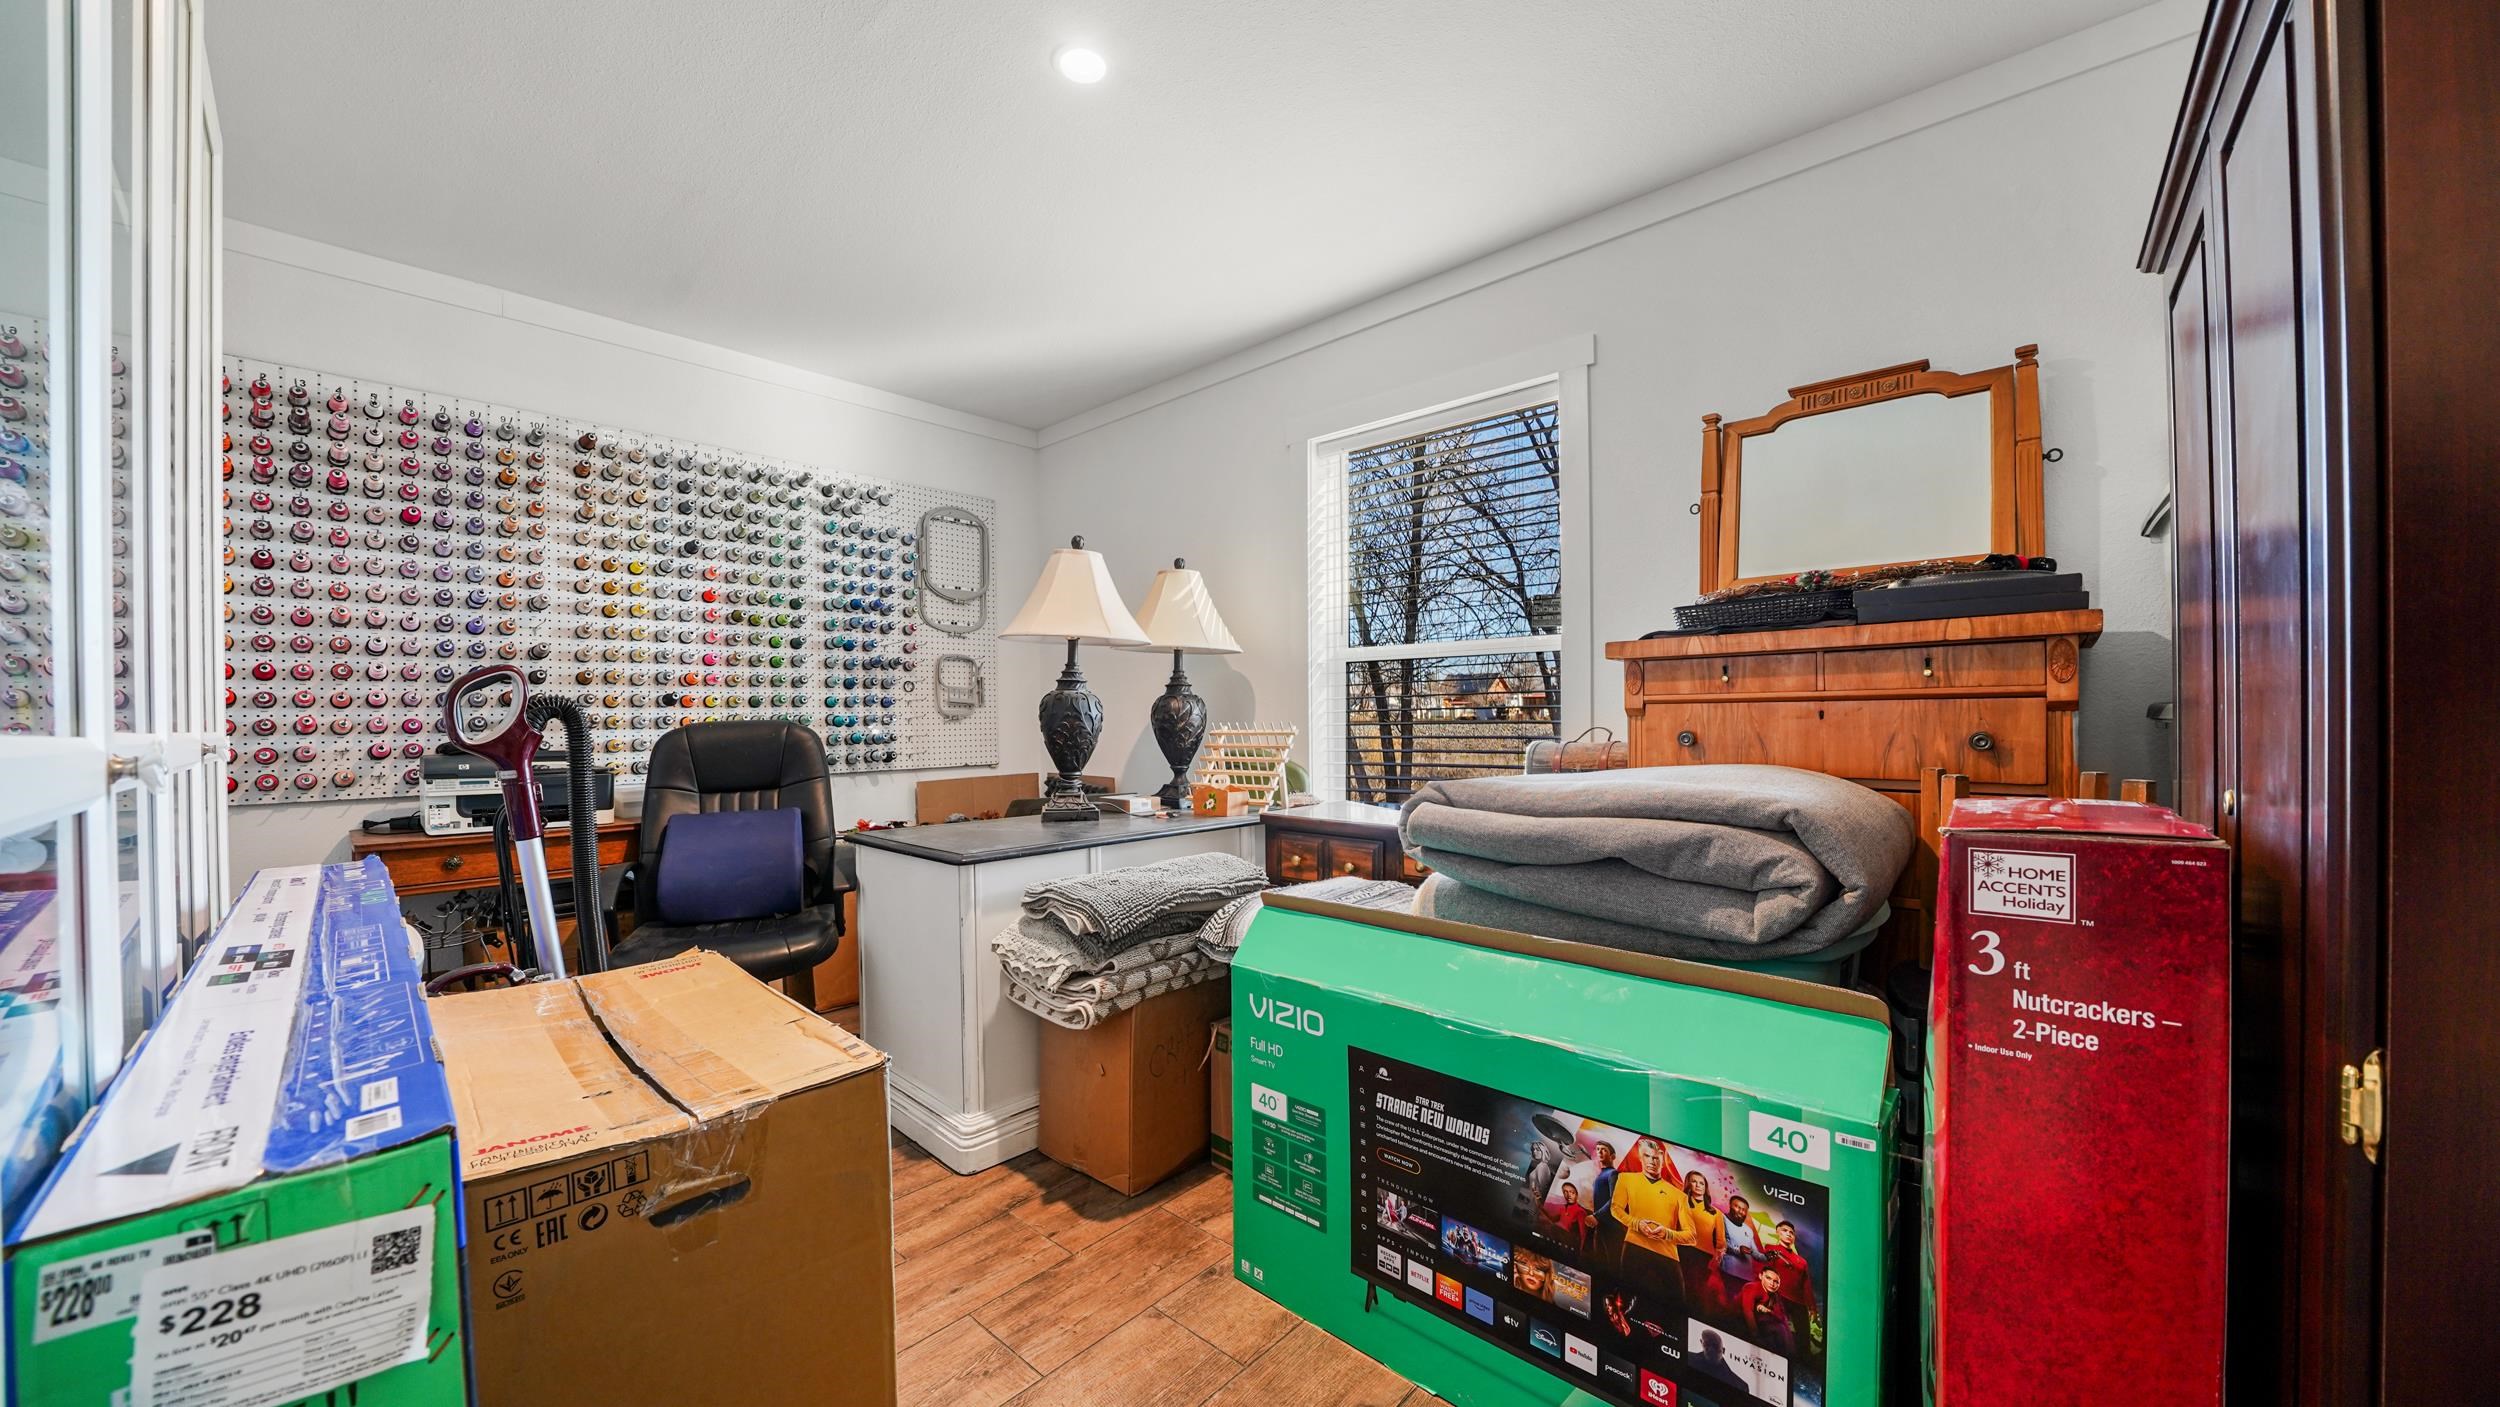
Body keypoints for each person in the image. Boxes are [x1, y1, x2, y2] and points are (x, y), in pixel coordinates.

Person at [1608, 1138, 1687, 1308]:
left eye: (1656, 1158)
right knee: (1625, 1297)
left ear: (1663, 1161)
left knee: (1677, 1304)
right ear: (1641, 1158)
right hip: (1634, 1246)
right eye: (1647, 1156)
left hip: (1668, 1254)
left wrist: (1666, 1233)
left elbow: (1691, 1236)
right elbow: (1615, 1209)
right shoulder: (1626, 1179)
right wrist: (1637, 1224)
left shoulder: (1679, 1195)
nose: (1652, 1161)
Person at [1665, 1169, 1728, 1311]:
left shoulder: (1716, 1213)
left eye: (1702, 1183)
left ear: (1706, 1188)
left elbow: (1721, 1242)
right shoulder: (1680, 1203)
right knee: (1675, 1286)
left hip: (1703, 1257)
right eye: (1694, 1182)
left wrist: (1716, 1259)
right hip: (1679, 1249)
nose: (1698, 1185)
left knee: (1696, 1292)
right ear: (1689, 1184)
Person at [1764, 1219, 1819, 1333]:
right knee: (1776, 1332)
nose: (1789, 1234)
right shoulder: (1770, 1249)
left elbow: (1806, 1285)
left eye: (1792, 1232)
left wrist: (1813, 1307)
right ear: (1778, 1233)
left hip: (1799, 1303)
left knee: (1803, 1336)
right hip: (1778, 1297)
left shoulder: (1802, 1261)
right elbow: (1763, 1272)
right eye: (1785, 1230)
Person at [1716, 1194, 1767, 1312]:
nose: (1740, 1211)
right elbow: (1718, 1242)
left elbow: (1755, 1253)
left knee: (1745, 1307)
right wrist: (1738, 1250)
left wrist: (1766, 1257)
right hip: (1729, 1271)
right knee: (1730, 1305)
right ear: (1730, 1206)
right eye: (1737, 1207)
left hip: (1746, 1276)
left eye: (1744, 1210)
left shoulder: (1748, 1230)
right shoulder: (1721, 1219)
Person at [1737, 1265, 1795, 1355]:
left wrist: (1768, 1311)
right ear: (1761, 1276)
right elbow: (1748, 1312)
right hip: (1738, 1320)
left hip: (1762, 1325)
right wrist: (1756, 1337)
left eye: (1776, 1282)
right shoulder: (1751, 1287)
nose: (1772, 1284)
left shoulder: (1775, 1295)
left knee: (1781, 1328)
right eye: (1768, 1278)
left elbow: (1781, 1317)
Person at [1588, 1141, 1621, 1267]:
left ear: (1612, 1156)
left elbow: (1615, 1199)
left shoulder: (1613, 1173)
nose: (1600, 1152)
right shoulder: (1601, 1174)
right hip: (1601, 1225)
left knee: (1612, 1263)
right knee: (1599, 1262)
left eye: (1604, 1150)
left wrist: (1596, 1216)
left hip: (1611, 1227)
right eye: (1597, 1149)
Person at [1551, 1181, 1595, 1252]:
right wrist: (1540, 1206)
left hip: (1572, 1248)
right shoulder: (1563, 1208)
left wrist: (1580, 1253)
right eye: (1565, 1192)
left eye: (1572, 1192)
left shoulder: (1580, 1211)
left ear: (1576, 1195)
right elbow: (1553, 1219)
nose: (1568, 1195)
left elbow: (1583, 1235)